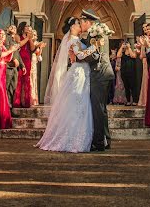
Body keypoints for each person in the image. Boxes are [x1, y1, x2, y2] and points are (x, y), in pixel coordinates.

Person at [37, 17, 95, 152]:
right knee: (76, 103)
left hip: (83, 72)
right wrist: (93, 48)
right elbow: (79, 56)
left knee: (79, 103)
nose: (79, 25)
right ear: (72, 27)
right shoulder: (73, 40)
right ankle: (71, 137)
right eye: (77, 24)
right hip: (78, 73)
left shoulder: (77, 40)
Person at [76, 10, 115, 151]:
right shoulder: (94, 34)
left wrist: (79, 57)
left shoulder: (97, 34)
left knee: (98, 109)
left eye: (81, 22)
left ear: (88, 22)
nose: (80, 25)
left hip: (100, 74)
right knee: (101, 109)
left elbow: (95, 55)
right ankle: (105, 140)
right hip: (101, 74)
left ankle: (99, 142)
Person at [13, 22, 35, 108]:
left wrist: (30, 39)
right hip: (20, 59)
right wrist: (27, 38)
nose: (28, 27)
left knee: (27, 80)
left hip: (27, 60)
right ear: (22, 27)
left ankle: (26, 102)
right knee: (19, 80)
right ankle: (17, 102)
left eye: (29, 26)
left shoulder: (29, 37)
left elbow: (32, 48)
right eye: (27, 26)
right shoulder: (18, 36)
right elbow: (19, 44)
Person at [5, 24, 26, 109]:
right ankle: (5, 107)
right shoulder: (7, 38)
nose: (13, 28)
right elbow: (7, 49)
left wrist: (22, 66)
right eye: (11, 27)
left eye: (14, 27)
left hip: (15, 69)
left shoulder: (15, 41)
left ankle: (10, 106)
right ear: (7, 29)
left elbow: (18, 55)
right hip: (9, 67)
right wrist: (13, 59)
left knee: (13, 87)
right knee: (7, 86)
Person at [117, 38, 138, 105]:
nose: (125, 45)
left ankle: (135, 101)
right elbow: (118, 55)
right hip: (124, 72)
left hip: (131, 72)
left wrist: (129, 48)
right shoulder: (122, 52)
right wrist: (121, 47)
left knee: (133, 86)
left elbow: (133, 56)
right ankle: (128, 101)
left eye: (126, 44)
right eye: (124, 44)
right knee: (126, 87)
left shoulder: (133, 50)